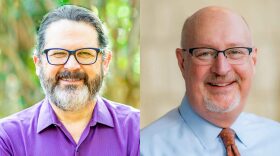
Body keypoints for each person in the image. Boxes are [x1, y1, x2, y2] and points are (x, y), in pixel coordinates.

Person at [0, 5, 139, 156]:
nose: (72, 66)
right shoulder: (8, 138)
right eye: (58, 53)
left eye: (85, 53)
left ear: (105, 62)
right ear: (38, 63)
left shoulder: (139, 130)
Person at [141, 6, 280, 156]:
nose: (221, 69)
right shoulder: (144, 148)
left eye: (235, 52)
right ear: (182, 63)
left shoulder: (275, 139)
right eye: (205, 53)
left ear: (253, 61)